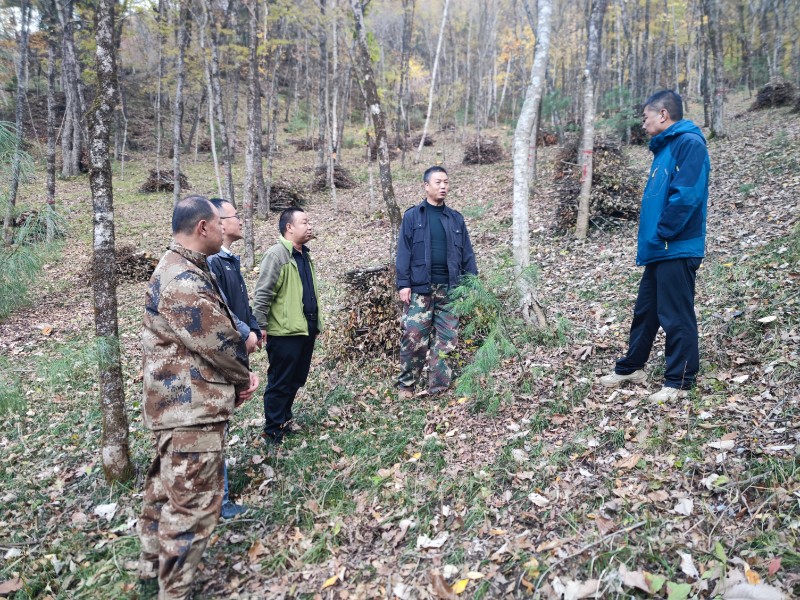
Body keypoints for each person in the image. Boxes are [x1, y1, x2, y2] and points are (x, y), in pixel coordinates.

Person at [137, 195, 259, 600]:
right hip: (188, 411)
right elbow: (221, 342)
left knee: (164, 492)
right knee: (192, 506)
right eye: (218, 223)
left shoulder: (184, 268)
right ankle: (174, 590)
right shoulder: (183, 281)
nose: (226, 228)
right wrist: (243, 376)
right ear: (202, 228)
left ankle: (150, 569)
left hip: (180, 407)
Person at [599, 90, 710, 402]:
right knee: (646, 312)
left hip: (675, 245)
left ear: (663, 115)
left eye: (646, 116)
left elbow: (687, 195)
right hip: (660, 247)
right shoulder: (665, 149)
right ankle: (631, 367)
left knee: (676, 314)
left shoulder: (689, 143)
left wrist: (663, 232)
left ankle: (680, 381)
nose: (642, 123)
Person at [396, 165, 477, 398]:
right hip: (421, 289)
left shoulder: (455, 219)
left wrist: (470, 284)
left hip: (450, 290)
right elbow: (404, 252)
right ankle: (407, 386)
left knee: (447, 341)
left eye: (446, 182)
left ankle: (438, 388)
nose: (443, 186)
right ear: (426, 186)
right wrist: (404, 284)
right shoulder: (413, 216)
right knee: (413, 338)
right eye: (438, 182)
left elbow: (467, 255)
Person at [207, 197, 262, 520]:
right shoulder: (212, 264)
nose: (241, 221)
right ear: (218, 223)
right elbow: (222, 309)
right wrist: (244, 333)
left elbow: (241, 301)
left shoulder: (229, 260)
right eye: (234, 217)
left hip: (239, 350)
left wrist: (253, 328)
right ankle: (220, 500)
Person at [253, 206, 321, 445]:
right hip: (284, 331)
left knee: (297, 378)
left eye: (309, 222)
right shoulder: (277, 255)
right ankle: (272, 430)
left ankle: (284, 418)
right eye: (304, 222)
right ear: (289, 227)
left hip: (305, 328)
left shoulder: (303, 254)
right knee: (281, 380)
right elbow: (263, 293)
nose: (309, 225)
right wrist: (260, 326)